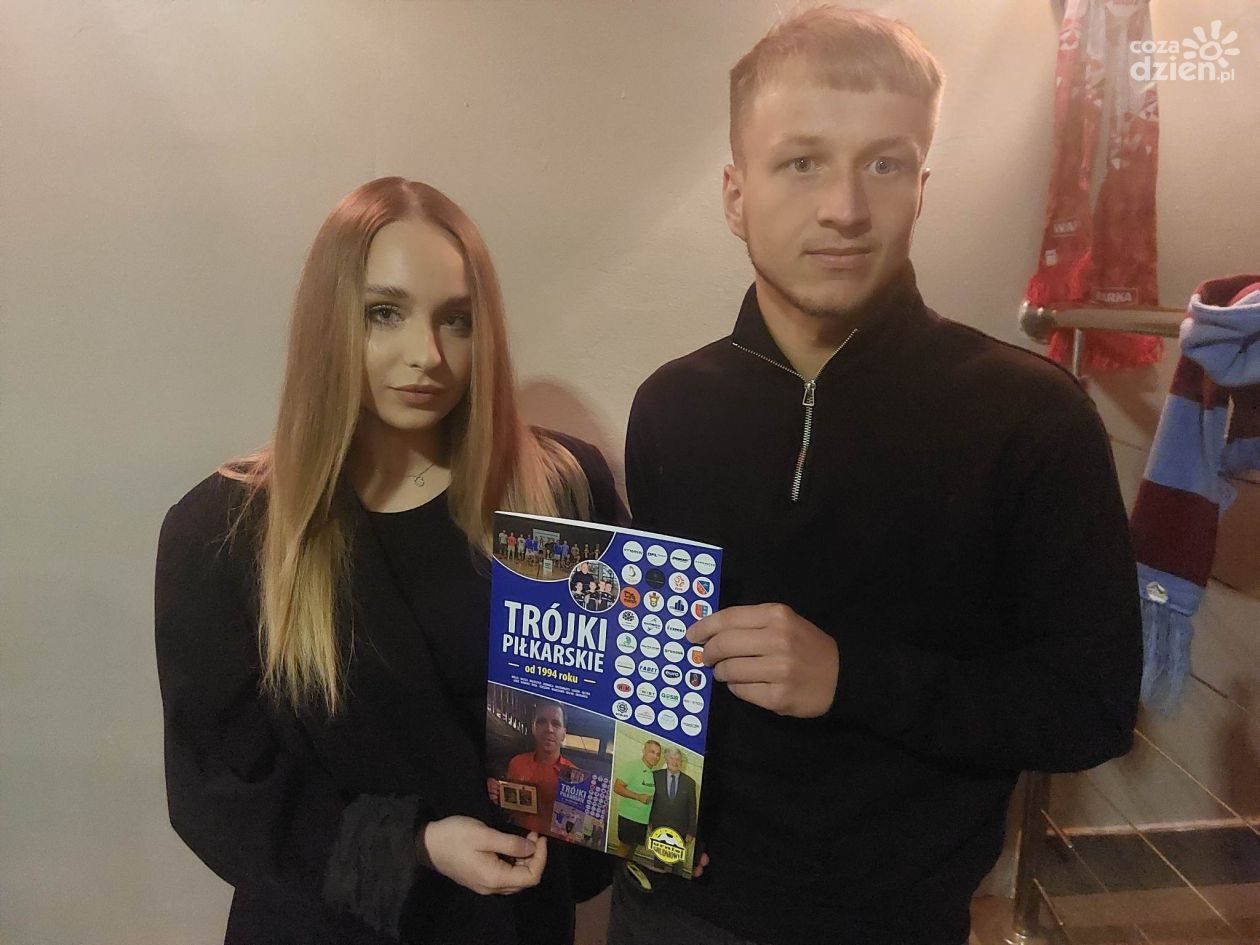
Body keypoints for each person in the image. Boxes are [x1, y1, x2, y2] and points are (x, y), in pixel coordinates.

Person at [611, 8, 1141, 945]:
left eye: (884, 165)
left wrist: (852, 678)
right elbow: (656, 667)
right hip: (673, 904)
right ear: (735, 195)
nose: (845, 209)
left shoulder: (1034, 417)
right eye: (801, 162)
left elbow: (1089, 709)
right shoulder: (669, 406)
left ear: (921, 190)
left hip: (895, 919)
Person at [155, 177, 622, 945]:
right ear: (330, 321)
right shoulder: (226, 531)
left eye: (457, 320)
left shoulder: (559, 489)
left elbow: (603, 733)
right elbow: (219, 792)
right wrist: (415, 845)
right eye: (385, 314)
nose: (427, 355)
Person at [494, 702, 579, 837]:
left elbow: (575, 829)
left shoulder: (575, 777)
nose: (549, 729)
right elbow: (507, 807)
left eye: (556, 724)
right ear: (533, 728)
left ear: (563, 734)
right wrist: (494, 792)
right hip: (517, 838)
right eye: (542, 722)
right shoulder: (516, 764)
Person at [646, 748, 697, 873]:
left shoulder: (690, 783)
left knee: (678, 865)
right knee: (658, 861)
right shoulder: (655, 776)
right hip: (659, 825)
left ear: (682, 762)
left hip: (681, 829)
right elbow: (651, 801)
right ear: (666, 759)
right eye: (672, 758)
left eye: (678, 759)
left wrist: (691, 831)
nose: (675, 762)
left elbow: (692, 808)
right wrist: (649, 821)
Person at [611, 739, 661, 857]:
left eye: (658, 754)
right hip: (629, 817)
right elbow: (617, 787)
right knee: (624, 847)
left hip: (642, 820)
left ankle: (626, 868)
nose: (655, 756)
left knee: (633, 848)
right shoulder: (633, 766)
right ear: (644, 751)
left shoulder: (652, 773)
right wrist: (638, 797)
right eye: (652, 752)